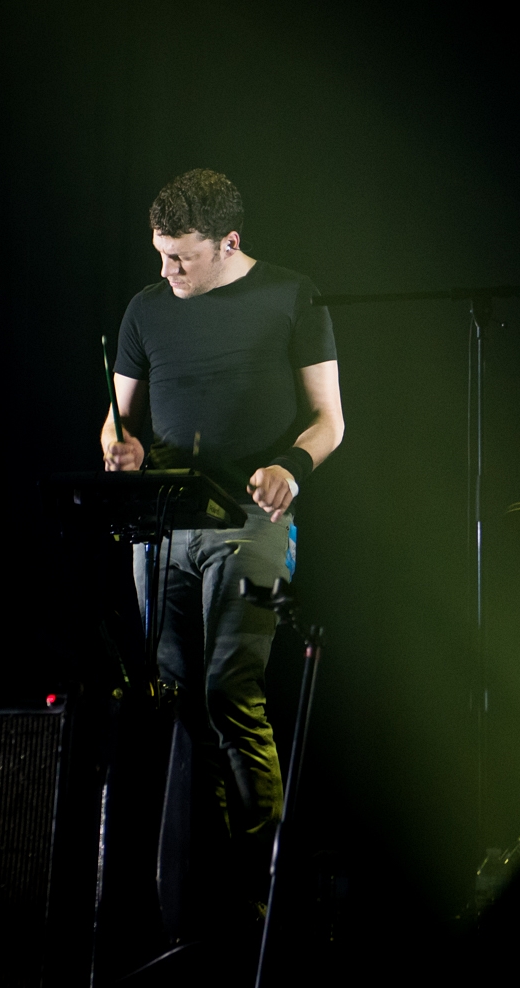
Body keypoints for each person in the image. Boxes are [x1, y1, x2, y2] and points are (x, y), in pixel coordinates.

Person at [101, 168, 344, 923]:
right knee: (175, 703)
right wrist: (119, 448)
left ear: (228, 243)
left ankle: (260, 891)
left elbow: (330, 419)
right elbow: (116, 420)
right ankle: (191, 894)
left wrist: (291, 468)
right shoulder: (146, 309)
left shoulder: (293, 295)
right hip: (163, 526)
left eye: (182, 256)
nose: (167, 269)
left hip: (251, 520)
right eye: (160, 253)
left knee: (228, 692)